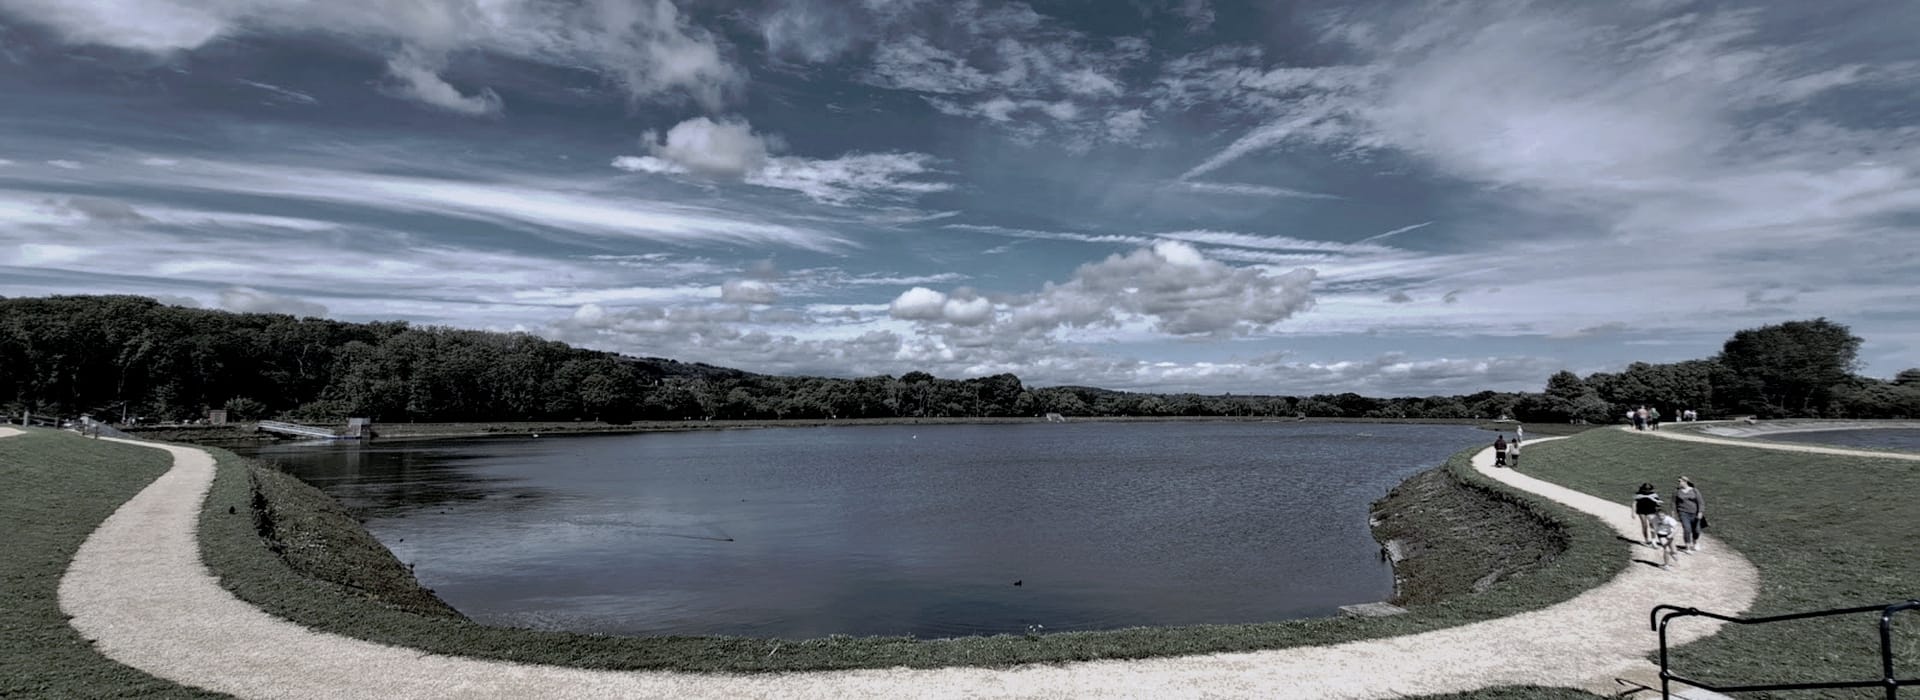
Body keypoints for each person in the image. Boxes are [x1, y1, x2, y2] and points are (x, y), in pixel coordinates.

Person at [1673, 476, 1706, 553]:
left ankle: (1695, 542)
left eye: (1680, 481)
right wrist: (1673, 513)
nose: (1679, 483)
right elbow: (1673, 503)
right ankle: (1687, 547)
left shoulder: (1694, 491)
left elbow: (1701, 502)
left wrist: (1700, 512)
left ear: (1685, 482)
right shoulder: (1677, 491)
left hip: (1695, 513)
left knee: (1697, 530)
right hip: (1683, 513)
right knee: (1687, 529)